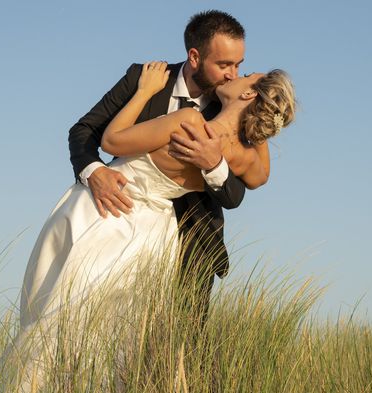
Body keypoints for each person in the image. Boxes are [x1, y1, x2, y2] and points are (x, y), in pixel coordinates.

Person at [0, 61, 296, 393]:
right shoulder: (245, 156)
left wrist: (145, 92)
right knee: (114, 341)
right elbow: (259, 177)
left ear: (251, 95)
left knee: (61, 320)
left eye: (246, 76)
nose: (237, 74)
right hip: (154, 237)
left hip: (113, 218)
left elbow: (112, 141)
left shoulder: (188, 120)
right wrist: (234, 148)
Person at [68, 10, 271, 314]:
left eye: (239, 64)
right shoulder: (144, 79)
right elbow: (85, 130)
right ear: (194, 57)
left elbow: (237, 193)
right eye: (224, 64)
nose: (234, 74)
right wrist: (93, 171)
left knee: (180, 345)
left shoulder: (233, 107)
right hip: (119, 217)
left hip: (195, 240)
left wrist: (214, 164)